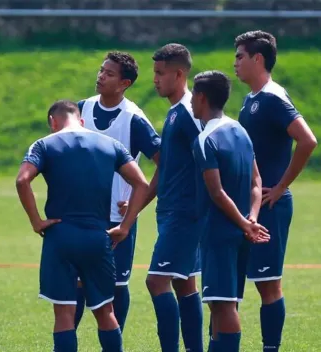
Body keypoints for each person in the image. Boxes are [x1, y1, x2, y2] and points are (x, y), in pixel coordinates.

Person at [16, 100, 149, 352]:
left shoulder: (45, 144)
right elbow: (142, 184)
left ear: (53, 122)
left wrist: (36, 221)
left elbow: (22, 180)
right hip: (98, 238)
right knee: (105, 311)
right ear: (81, 120)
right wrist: (125, 225)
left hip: (60, 237)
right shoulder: (111, 145)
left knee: (64, 314)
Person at [234, 30, 317, 351]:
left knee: (268, 286)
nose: (235, 63)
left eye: (240, 56)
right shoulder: (252, 98)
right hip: (248, 204)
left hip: (270, 205)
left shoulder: (272, 98)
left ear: (258, 59)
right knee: (235, 283)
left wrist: (281, 186)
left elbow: (308, 140)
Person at [76, 51, 161, 332]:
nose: (101, 76)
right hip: (80, 214)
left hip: (117, 219)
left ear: (124, 84)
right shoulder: (81, 110)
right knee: (76, 284)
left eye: (109, 74)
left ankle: (115, 342)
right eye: (101, 70)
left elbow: (165, 164)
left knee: (116, 285)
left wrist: (137, 206)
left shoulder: (133, 119)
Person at [191, 70, 270, 352]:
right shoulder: (240, 131)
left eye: (192, 96)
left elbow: (216, 192)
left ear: (201, 98)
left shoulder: (204, 139)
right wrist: (252, 217)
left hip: (219, 233)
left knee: (222, 307)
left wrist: (243, 223)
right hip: (240, 233)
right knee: (226, 303)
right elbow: (256, 181)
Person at [145, 43, 204, 352]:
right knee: (184, 284)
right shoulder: (174, 113)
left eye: (160, 73)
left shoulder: (191, 113)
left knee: (156, 282)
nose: (155, 79)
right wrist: (136, 206)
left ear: (179, 74)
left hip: (184, 214)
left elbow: (212, 155)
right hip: (171, 212)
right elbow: (166, 169)